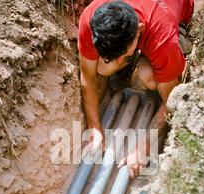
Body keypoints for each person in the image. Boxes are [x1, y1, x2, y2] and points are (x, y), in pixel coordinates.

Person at [78, 0, 194, 178]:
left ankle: (178, 60)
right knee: (102, 67)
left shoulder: (163, 39)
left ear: (139, 30)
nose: (116, 62)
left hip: (168, 16)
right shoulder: (91, 18)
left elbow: (171, 100)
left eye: (122, 56)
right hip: (143, 32)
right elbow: (88, 76)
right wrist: (95, 127)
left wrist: (143, 146)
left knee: (148, 76)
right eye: (114, 56)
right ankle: (132, 60)